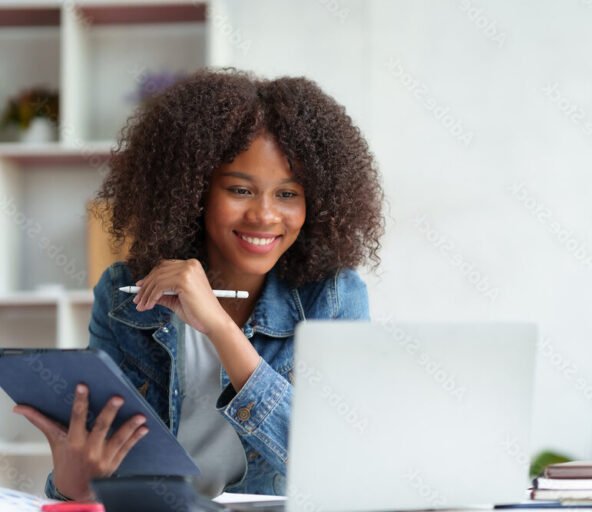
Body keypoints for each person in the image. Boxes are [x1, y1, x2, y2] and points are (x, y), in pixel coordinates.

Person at [12, 69, 385, 500]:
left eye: (287, 194)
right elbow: (107, 481)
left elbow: (337, 464)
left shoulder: (334, 298)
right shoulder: (125, 295)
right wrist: (75, 483)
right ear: (193, 191)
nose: (265, 216)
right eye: (240, 190)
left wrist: (220, 329)